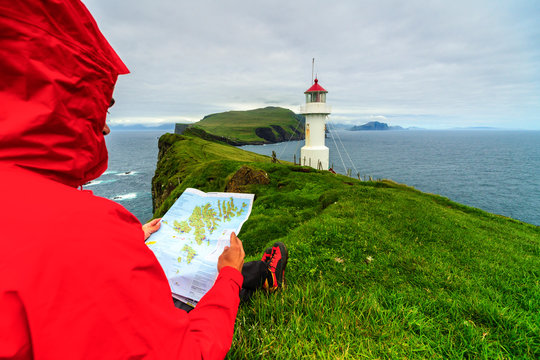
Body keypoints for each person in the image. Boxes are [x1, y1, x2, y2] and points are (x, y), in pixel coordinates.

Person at [0, 0, 284, 358]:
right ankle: (250, 275)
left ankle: (254, 273)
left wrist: (131, 238)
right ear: (62, 100)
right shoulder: (86, 233)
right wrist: (228, 275)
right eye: (101, 102)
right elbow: (184, 352)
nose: (104, 125)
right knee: (218, 277)